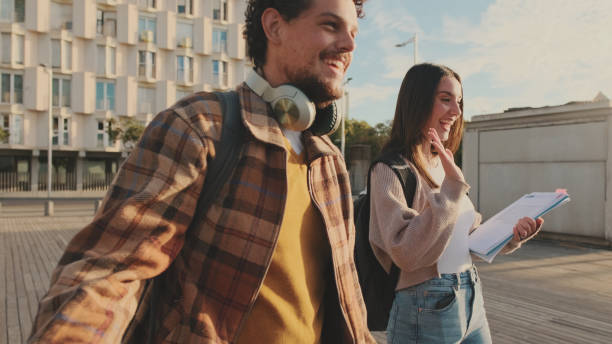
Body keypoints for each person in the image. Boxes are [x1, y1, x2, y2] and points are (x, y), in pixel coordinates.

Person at [28, 0, 375, 343]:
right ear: (274, 27)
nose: (350, 45)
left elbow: (349, 301)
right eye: (330, 25)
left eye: (354, 32)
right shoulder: (200, 127)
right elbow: (109, 274)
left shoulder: (329, 160)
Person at [368, 63, 543, 344]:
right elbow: (405, 252)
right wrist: (451, 187)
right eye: (446, 99)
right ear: (418, 101)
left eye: (459, 102)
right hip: (424, 303)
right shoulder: (390, 170)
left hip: (470, 294)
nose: (457, 112)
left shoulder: (442, 164)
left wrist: (510, 236)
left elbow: (463, 239)